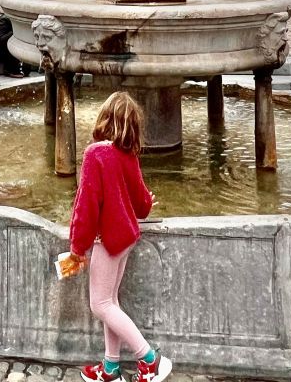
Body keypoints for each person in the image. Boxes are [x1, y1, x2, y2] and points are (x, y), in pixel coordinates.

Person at [69, 92, 171, 382]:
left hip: (108, 240)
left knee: (99, 304)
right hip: (126, 238)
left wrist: (78, 247)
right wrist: (149, 200)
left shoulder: (95, 154)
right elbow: (141, 205)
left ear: (104, 118)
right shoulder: (128, 155)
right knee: (110, 301)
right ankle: (110, 368)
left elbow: (86, 206)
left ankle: (149, 359)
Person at [0, 12, 29, 78]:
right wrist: (15, 32)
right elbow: (0, 40)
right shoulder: (4, 20)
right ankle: (9, 69)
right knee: (14, 43)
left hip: (3, 49)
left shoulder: (14, 19)